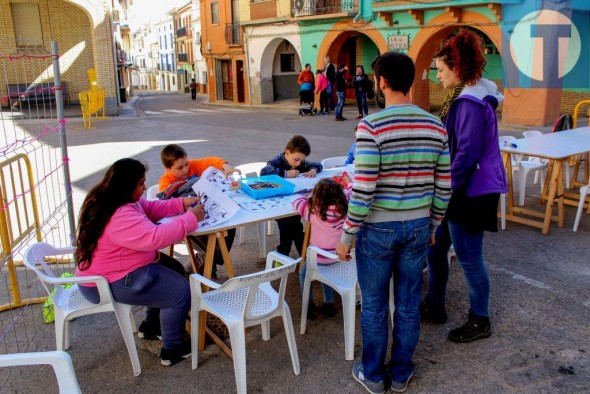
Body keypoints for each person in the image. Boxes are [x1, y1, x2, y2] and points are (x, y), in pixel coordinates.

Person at [336, 52, 451, 393]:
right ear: (410, 80)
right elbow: (444, 184)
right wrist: (432, 227)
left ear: (382, 81)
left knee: (373, 304)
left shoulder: (372, 126)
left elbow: (364, 187)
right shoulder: (435, 125)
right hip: (417, 226)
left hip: (379, 229)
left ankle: (372, 375)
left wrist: (347, 236)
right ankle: (400, 373)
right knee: (407, 302)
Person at [75, 158, 205, 367]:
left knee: (174, 268)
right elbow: (155, 238)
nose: (144, 188)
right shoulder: (120, 215)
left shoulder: (114, 197)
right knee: (180, 291)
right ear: (126, 185)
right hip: (105, 283)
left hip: (117, 269)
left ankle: (151, 326)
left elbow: (150, 209)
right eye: (140, 184)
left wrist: (181, 203)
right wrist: (190, 218)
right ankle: (173, 349)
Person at [421, 29, 508, 343]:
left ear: (457, 69)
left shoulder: (469, 102)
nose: (437, 76)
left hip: (469, 191)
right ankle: (434, 305)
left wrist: (440, 189)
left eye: (441, 70)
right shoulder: (463, 95)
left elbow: (466, 155)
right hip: (457, 189)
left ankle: (480, 319)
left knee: (470, 258)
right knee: (437, 246)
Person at [158, 144, 239, 278]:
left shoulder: (192, 166)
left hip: (207, 213)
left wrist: (226, 166)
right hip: (189, 221)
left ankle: (208, 266)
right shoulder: (166, 182)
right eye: (180, 167)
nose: (185, 169)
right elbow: (167, 205)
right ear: (168, 168)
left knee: (230, 226)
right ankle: (200, 269)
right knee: (212, 246)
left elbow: (211, 161)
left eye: (186, 164)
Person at [294, 177, 352, 318]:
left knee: (303, 274)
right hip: (339, 256)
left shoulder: (313, 210)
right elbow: (352, 191)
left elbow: (296, 202)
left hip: (319, 257)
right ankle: (329, 304)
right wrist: (349, 183)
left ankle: (308, 305)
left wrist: (306, 196)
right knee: (327, 273)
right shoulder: (347, 207)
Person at [261, 135, 323, 256]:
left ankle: (285, 253)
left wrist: (314, 170)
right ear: (287, 152)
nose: (299, 163)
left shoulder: (300, 161)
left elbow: (318, 164)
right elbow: (264, 173)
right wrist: (285, 173)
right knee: (293, 227)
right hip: (278, 204)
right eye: (296, 159)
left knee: (293, 226)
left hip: (294, 203)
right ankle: (300, 254)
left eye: (301, 160)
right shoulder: (277, 161)